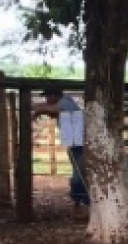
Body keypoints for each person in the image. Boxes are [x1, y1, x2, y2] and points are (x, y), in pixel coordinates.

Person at [31, 87, 90, 216]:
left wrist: (38, 109)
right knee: (79, 171)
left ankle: (83, 200)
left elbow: (51, 109)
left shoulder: (65, 102)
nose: (46, 99)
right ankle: (81, 200)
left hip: (79, 144)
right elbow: (49, 109)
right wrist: (40, 110)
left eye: (48, 96)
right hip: (75, 142)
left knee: (79, 173)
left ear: (55, 95)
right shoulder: (64, 103)